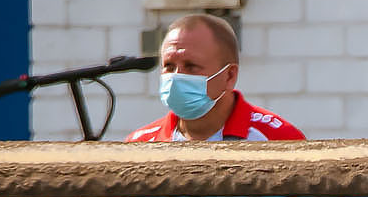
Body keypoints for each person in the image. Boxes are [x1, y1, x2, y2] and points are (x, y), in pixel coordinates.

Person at [125, 14, 305, 142]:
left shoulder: (278, 140)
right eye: (169, 67)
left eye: (191, 66)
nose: (176, 77)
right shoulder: (141, 144)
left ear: (229, 76)